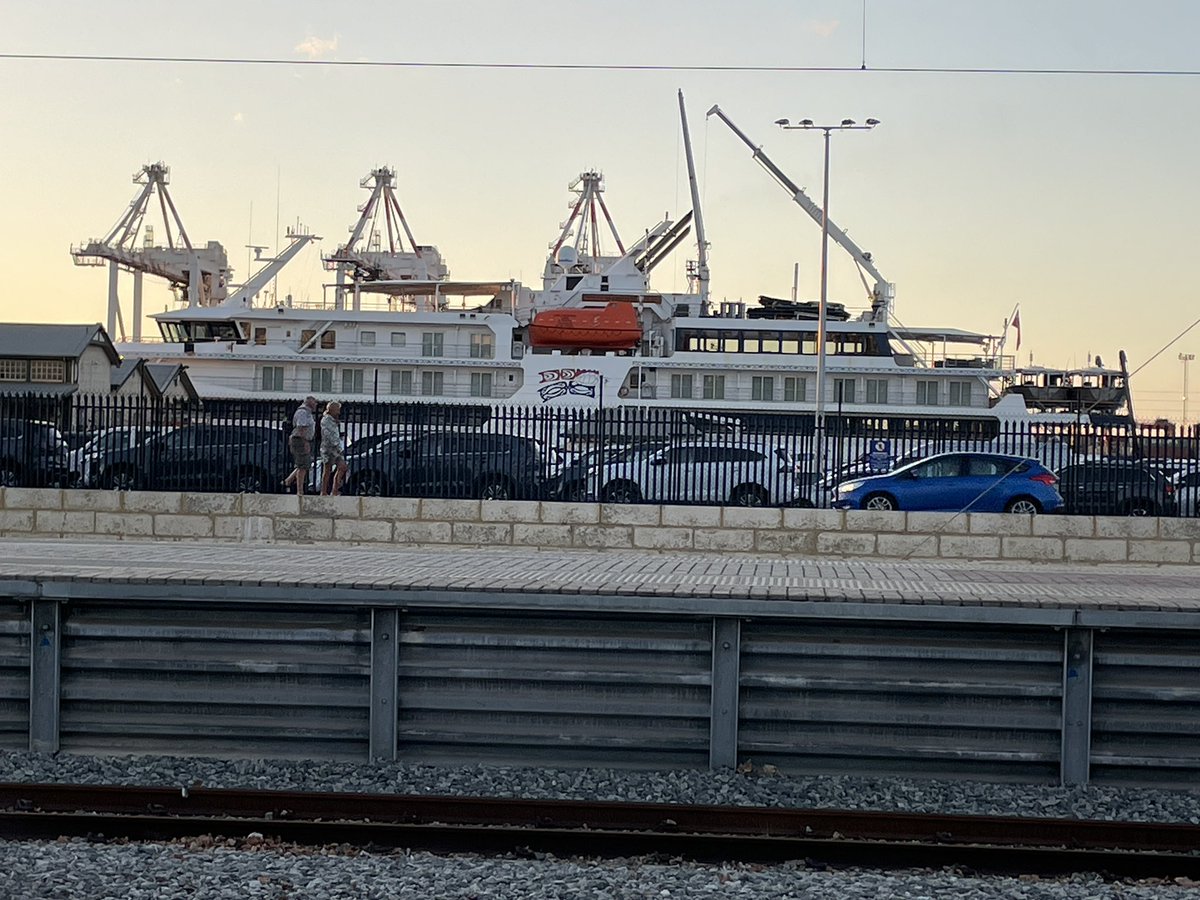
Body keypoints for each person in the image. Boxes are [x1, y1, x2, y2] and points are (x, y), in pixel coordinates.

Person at [283, 395, 318, 495]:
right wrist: (305, 442)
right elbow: (301, 428)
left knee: (304, 464)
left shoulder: (307, 412)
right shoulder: (303, 412)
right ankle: (299, 490)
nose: (316, 404)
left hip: (301, 439)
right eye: (314, 402)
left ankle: (288, 481)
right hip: (299, 440)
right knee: (303, 465)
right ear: (309, 402)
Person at [319, 401, 348, 496]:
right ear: (332, 409)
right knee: (327, 469)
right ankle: (324, 491)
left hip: (335, 448)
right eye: (337, 409)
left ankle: (334, 490)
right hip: (329, 448)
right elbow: (329, 435)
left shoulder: (333, 420)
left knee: (342, 467)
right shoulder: (326, 420)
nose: (339, 412)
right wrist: (338, 446)